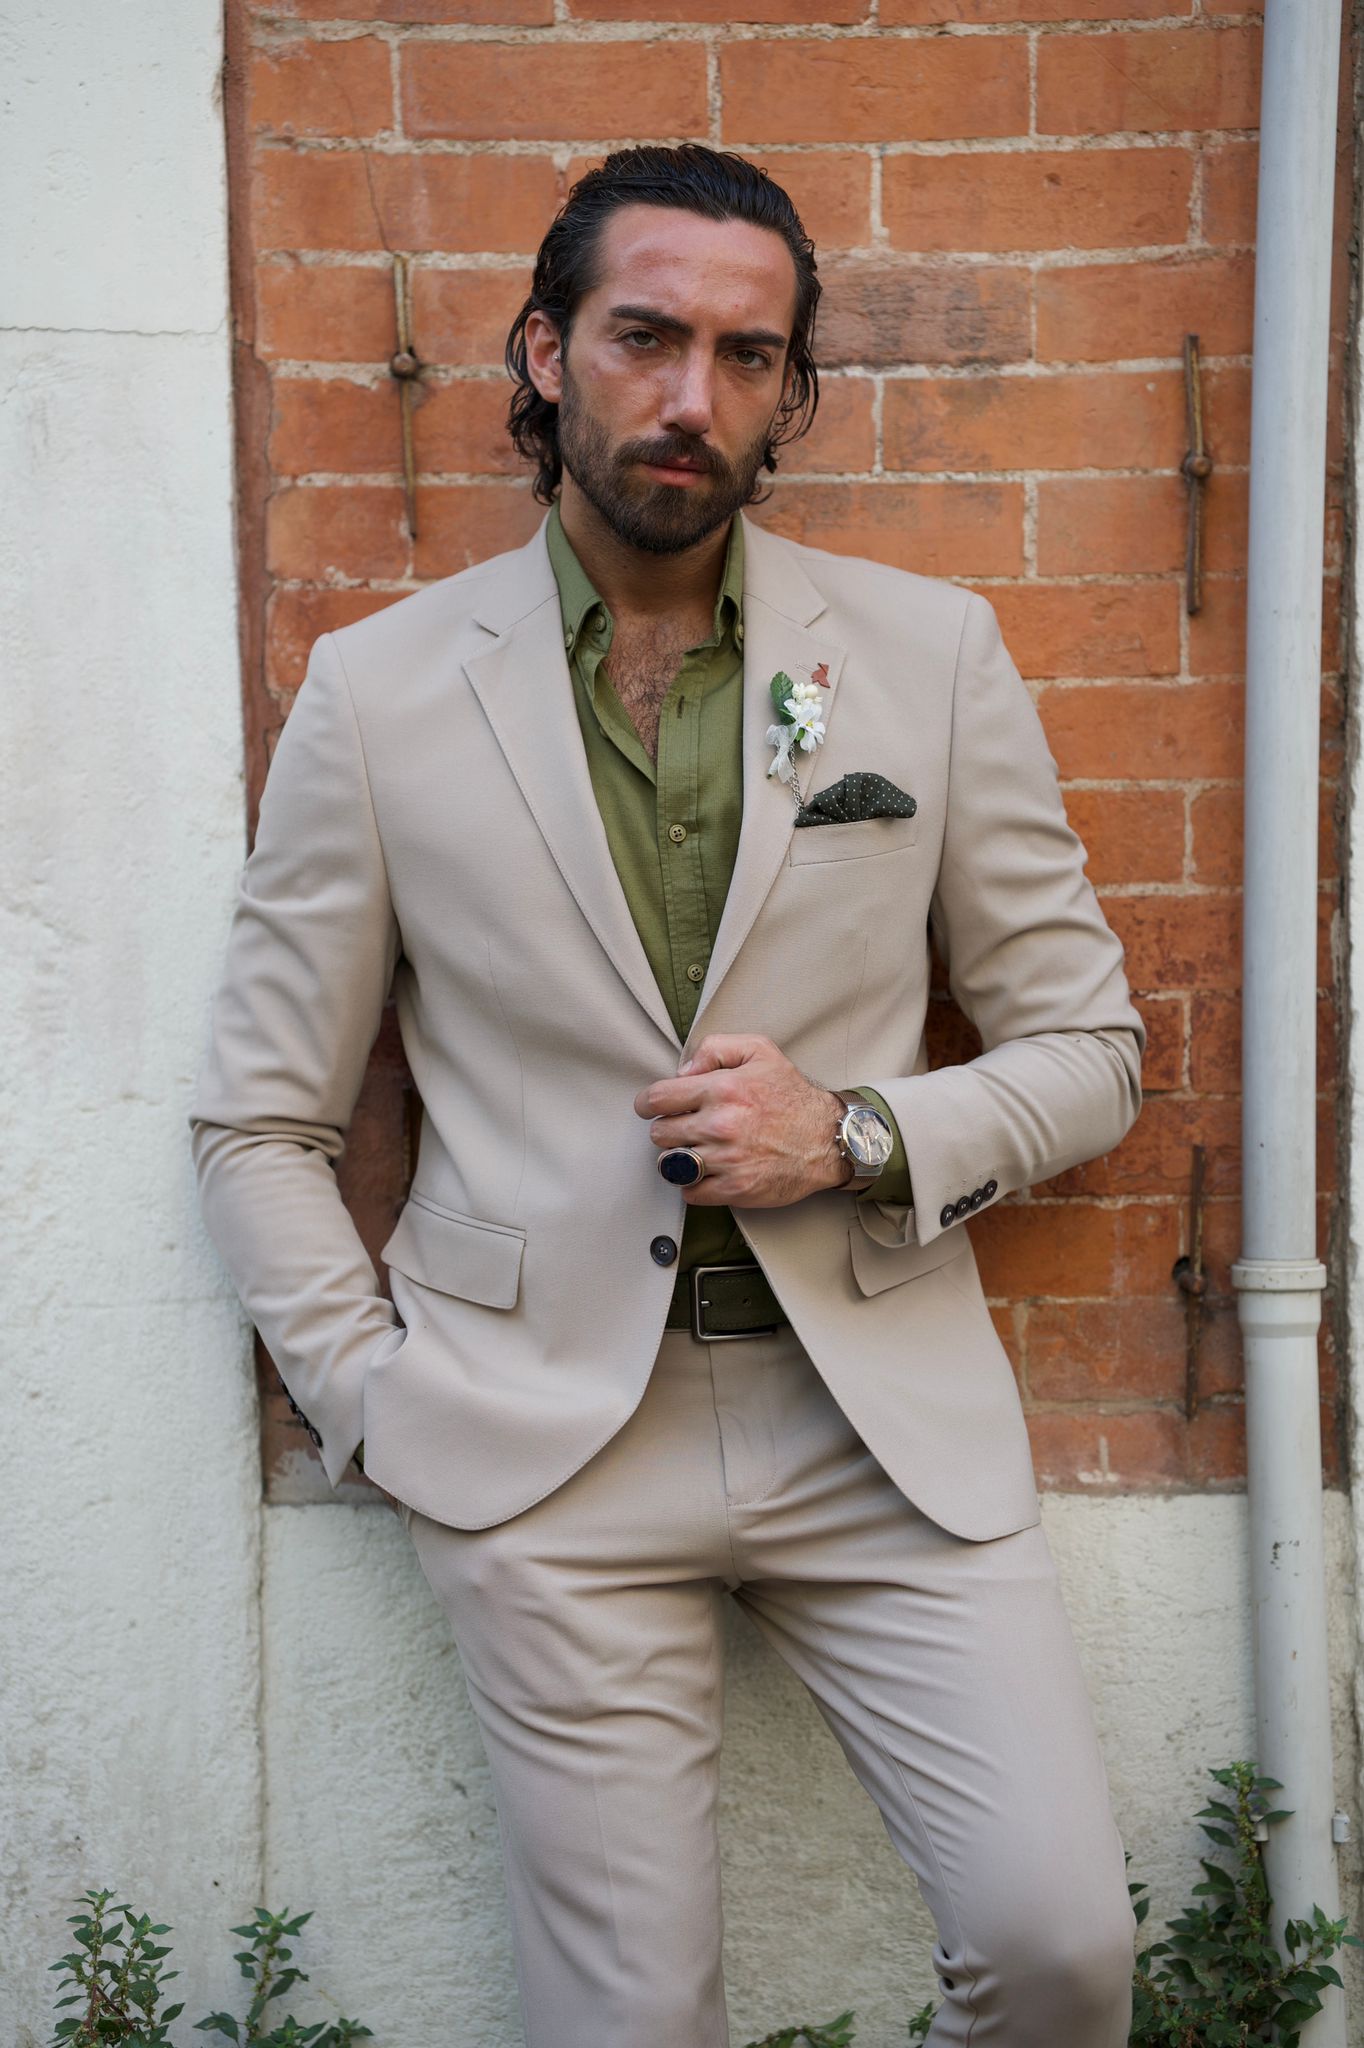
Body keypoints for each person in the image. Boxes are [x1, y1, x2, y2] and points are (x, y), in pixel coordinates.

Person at [190, 143, 1145, 2047]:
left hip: (877, 1431)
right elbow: (260, 1121)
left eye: (744, 353)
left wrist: (860, 1132)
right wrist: (376, 1410)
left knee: (1060, 1958)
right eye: (643, 337)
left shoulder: (928, 657)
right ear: (547, 352)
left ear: (793, 391)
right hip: (543, 1446)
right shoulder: (375, 695)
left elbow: (1089, 1049)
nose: (690, 396)